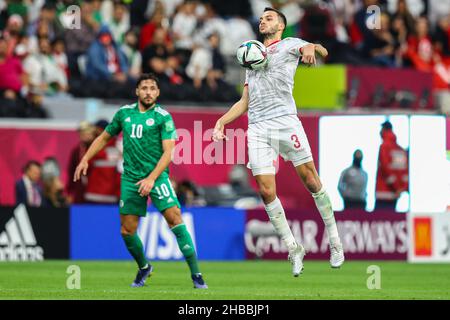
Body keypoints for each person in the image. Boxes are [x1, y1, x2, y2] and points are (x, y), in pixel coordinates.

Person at [212, 7, 344, 277]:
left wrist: (310, 48)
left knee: (311, 181)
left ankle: (335, 241)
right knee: (264, 189)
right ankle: (293, 247)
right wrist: (222, 121)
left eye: (269, 18)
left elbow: (321, 49)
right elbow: (244, 102)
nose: (263, 20)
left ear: (281, 25)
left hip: (285, 121)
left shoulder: (290, 45)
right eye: (261, 18)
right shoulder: (252, 55)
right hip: (258, 127)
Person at [73, 73, 207, 289]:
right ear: (137, 91)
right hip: (131, 179)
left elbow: (168, 153)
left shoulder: (163, 117)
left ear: (158, 92)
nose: (148, 92)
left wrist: (152, 179)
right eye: (144, 88)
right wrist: (86, 158)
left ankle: (197, 275)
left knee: (175, 219)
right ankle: (144, 267)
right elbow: (104, 137)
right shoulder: (124, 114)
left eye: (152, 88)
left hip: (157, 178)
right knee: (127, 230)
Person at [375, 121, 409, 211]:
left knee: (379, 222)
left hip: (383, 193)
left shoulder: (384, 147)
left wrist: (396, 187)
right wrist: (401, 188)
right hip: (395, 195)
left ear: (384, 130)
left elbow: (386, 168)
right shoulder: (400, 150)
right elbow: (404, 173)